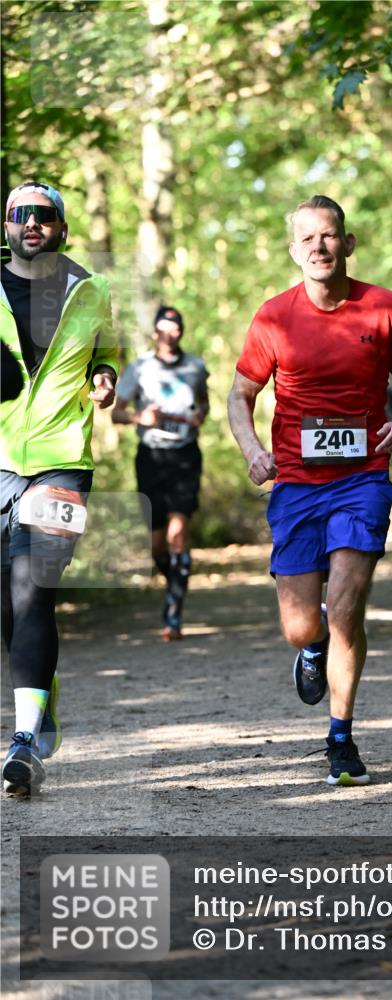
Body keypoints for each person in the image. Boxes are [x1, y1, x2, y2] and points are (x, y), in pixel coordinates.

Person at [228, 194, 392, 787]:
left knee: (345, 609)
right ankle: (310, 649)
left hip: (362, 477)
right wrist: (252, 450)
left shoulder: (384, 307)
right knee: (302, 626)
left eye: (330, 235)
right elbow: (240, 395)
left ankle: (340, 737)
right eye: (308, 238)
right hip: (295, 482)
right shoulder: (273, 317)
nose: (320, 246)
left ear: (348, 243)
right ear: (295, 250)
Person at [1, 180, 118, 793]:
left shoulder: (90, 290)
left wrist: (105, 375)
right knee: (7, 605)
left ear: (62, 228)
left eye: (44, 216)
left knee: (33, 592)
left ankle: (22, 745)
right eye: (20, 215)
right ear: (6, 226)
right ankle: (39, 695)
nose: (32, 224)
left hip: (63, 461)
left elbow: (107, 353)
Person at [112, 306, 209, 641]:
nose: (169, 335)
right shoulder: (139, 369)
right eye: (163, 329)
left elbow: (204, 403)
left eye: (175, 330)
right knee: (157, 545)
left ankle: (174, 612)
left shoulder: (195, 366)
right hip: (151, 456)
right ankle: (175, 580)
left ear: (181, 333)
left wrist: (200, 417)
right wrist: (141, 419)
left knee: (178, 532)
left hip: (185, 455)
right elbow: (117, 414)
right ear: (155, 333)